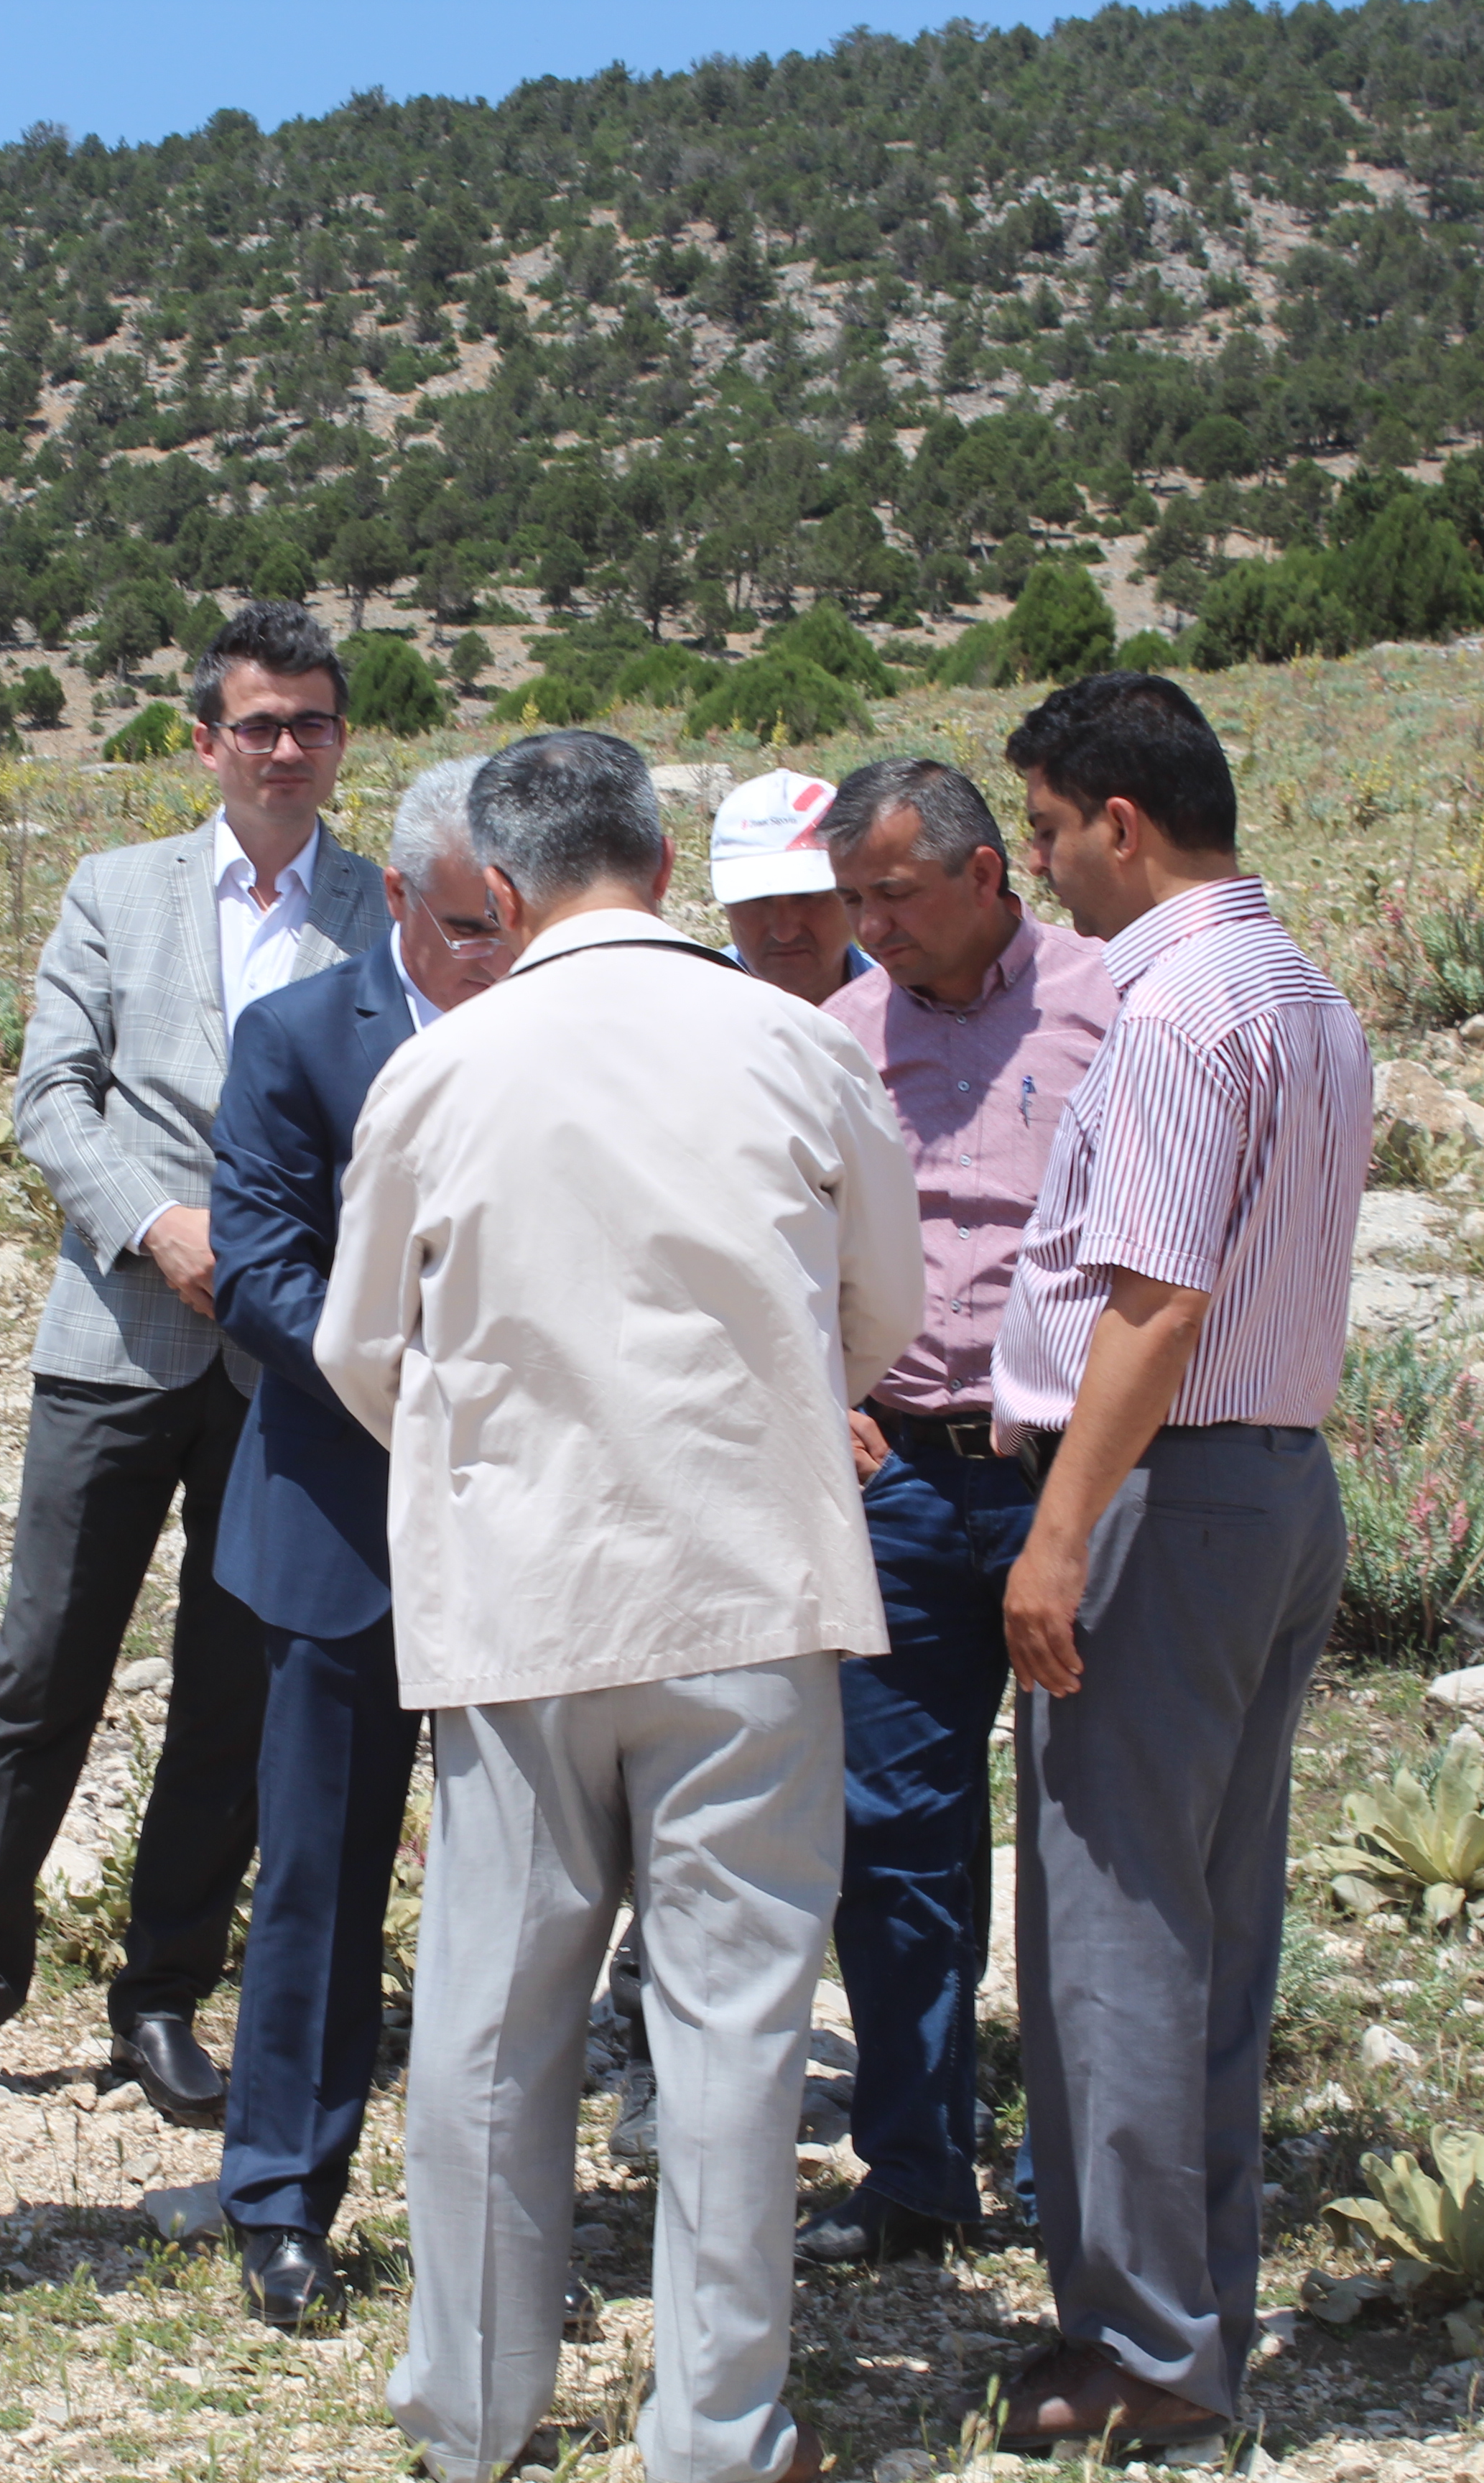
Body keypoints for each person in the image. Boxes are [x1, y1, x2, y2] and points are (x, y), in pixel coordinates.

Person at [317, 731, 919, 2483]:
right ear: (664, 866)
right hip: (745, 1579)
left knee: (492, 2026)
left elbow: (364, 1346)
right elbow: (878, 1307)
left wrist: (489, 1461)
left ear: (495, 893)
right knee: (733, 2028)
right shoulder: (798, 1045)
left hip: (519, 1600)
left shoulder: (440, 1072)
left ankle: (474, 2412)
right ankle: (718, 2432)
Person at [0, 601, 385, 2127]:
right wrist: (159, 1225)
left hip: (290, 1364)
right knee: (45, 1665)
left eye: (310, 723)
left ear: (340, 741)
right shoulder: (114, 891)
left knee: (235, 1686)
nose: (284, 750)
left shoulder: (384, 906)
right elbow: (51, 1097)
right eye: (258, 725)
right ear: (204, 742)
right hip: (119, 1332)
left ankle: (163, 1991)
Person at [984, 675, 1368, 2453]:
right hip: (1273, 1489)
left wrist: (1057, 1533)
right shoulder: (1303, 994)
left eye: (1049, 831)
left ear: (1116, 821)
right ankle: (1191, 2315)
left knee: (1111, 1933)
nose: (1045, 869)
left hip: (1161, 1494)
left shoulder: (1173, 1012)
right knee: (1210, 1922)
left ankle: (1142, 2347)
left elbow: (1150, 1299)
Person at [203, 755, 513, 2331]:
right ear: (397, 900)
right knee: (318, 1876)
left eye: (509, 924)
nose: (494, 957)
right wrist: (429, 1376)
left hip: (539, 1529)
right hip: (348, 1514)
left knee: (523, 1879)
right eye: (467, 928)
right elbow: (258, 1269)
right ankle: (283, 2194)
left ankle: (498, 2217)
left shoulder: (563, 1030)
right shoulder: (299, 1040)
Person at [797, 757, 1117, 2269]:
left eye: (893, 895)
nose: (869, 924)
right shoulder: (836, 1037)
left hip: (1079, 1477)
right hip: (904, 1481)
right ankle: (917, 2168)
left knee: (1096, 1838)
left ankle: (1086, 2171)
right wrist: (824, 1395)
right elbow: (776, 1232)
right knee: (897, 1834)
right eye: (852, 896)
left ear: (990, 874)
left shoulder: (1116, 1007)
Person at [710, 767, 868, 1003]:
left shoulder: (914, 1011)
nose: (784, 932)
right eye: (757, 900)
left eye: (809, 896)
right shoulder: (684, 1011)